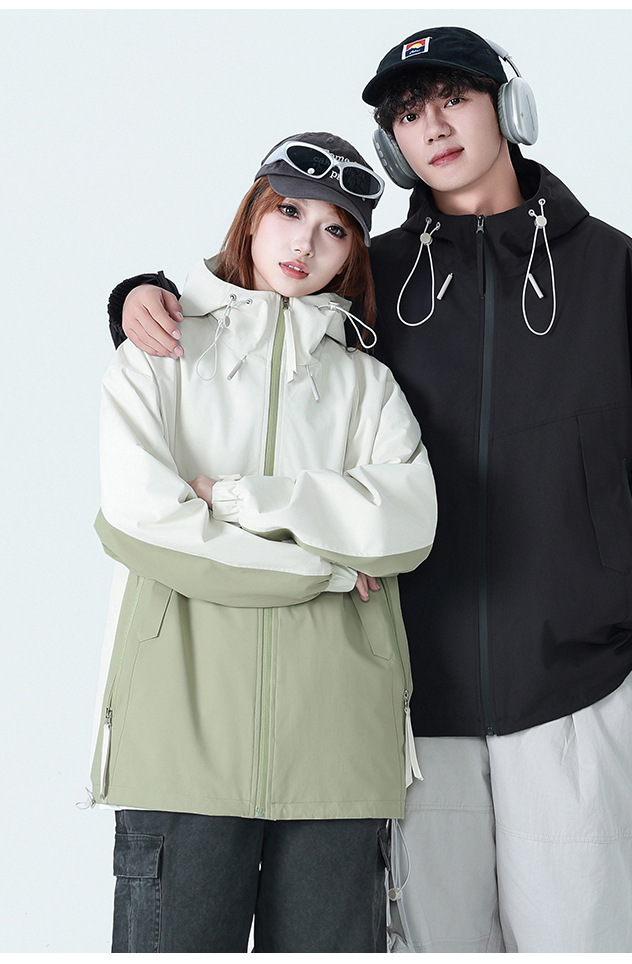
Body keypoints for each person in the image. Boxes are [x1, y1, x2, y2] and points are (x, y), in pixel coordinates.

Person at [106, 27, 632, 953]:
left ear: (506, 108)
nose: (431, 125)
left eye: (452, 99)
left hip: (581, 683)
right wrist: (137, 292)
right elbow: (251, 318)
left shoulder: (613, 269)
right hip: (412, 699)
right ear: (391, 145)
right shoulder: (374, 276)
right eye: (406, 113)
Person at [91, 130, 437, 953]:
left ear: (352, 253)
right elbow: (141, 520)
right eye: (289, 212)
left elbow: (407, 519)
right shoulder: (160, 355)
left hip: (339, 747)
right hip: (180, 741)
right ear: (251, 215)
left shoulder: (366, 383)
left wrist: (236, 497)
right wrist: (322, 569)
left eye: (334, 229)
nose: (304, 243)